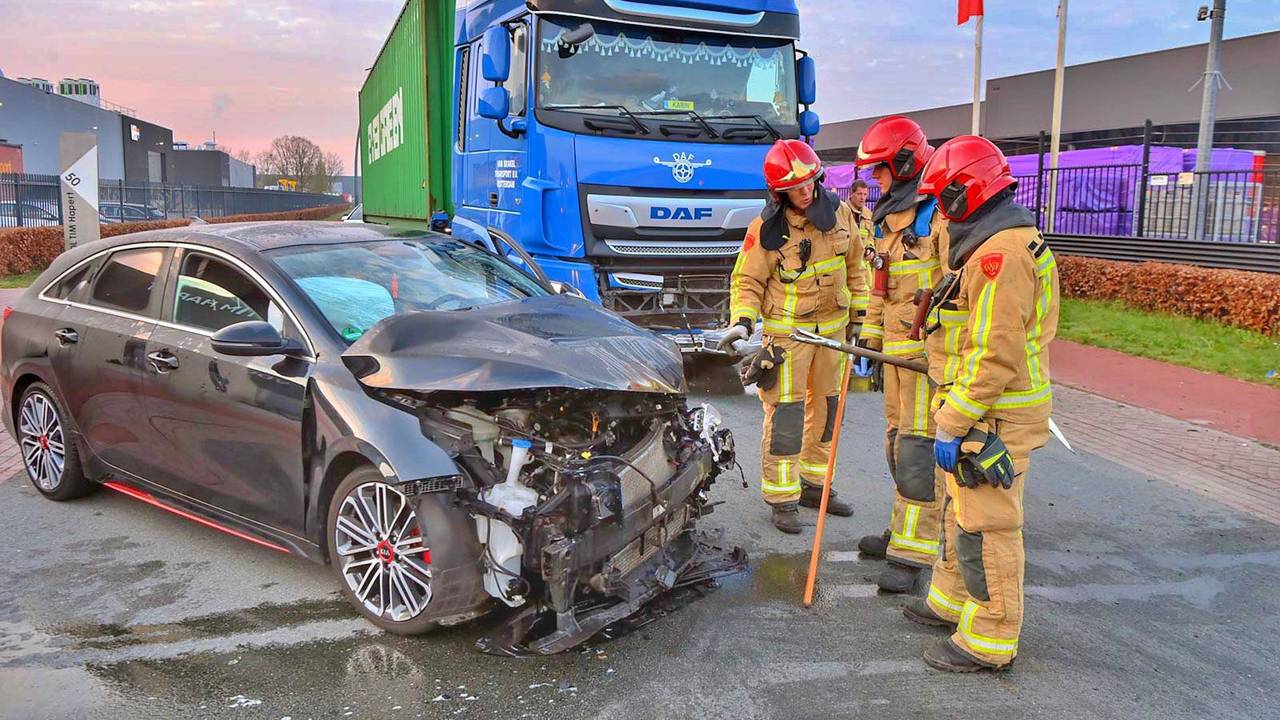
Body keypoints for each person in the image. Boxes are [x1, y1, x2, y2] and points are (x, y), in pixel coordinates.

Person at [903, 135, 1059, 673]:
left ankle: (990, 638)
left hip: (995, 411)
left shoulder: (999, 255)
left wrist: (952, 419)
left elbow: (994, 351)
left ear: (965, 192)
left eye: (942, 201)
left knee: (988, 525)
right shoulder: (997, 238)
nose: (940, 215)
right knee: (961, 512)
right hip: (984, 407)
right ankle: (950, 602)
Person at [720, 139, 869, 534]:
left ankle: (815, 487)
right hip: (788, 339)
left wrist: (862, 317)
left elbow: (857, 267)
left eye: (809, 182)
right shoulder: (765, 230)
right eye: (795, 187)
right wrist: (743, 322)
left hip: (833, 334)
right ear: (779, 192)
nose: (806, 191)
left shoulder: (841, 214)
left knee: (827, 412)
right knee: (786, 415)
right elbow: (748, 281)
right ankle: (782, 497)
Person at [852, 116, 948, 593]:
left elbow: (957, 289)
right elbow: (881, 284)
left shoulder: (938, 215)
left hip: (926, 359)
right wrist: (869, 339)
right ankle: (903, 528)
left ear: (905, 163)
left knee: (916, 451)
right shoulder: (889, 217)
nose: (875, 178)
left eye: (881, 169)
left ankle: (913, 554)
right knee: (897, 444)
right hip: (896, 357)